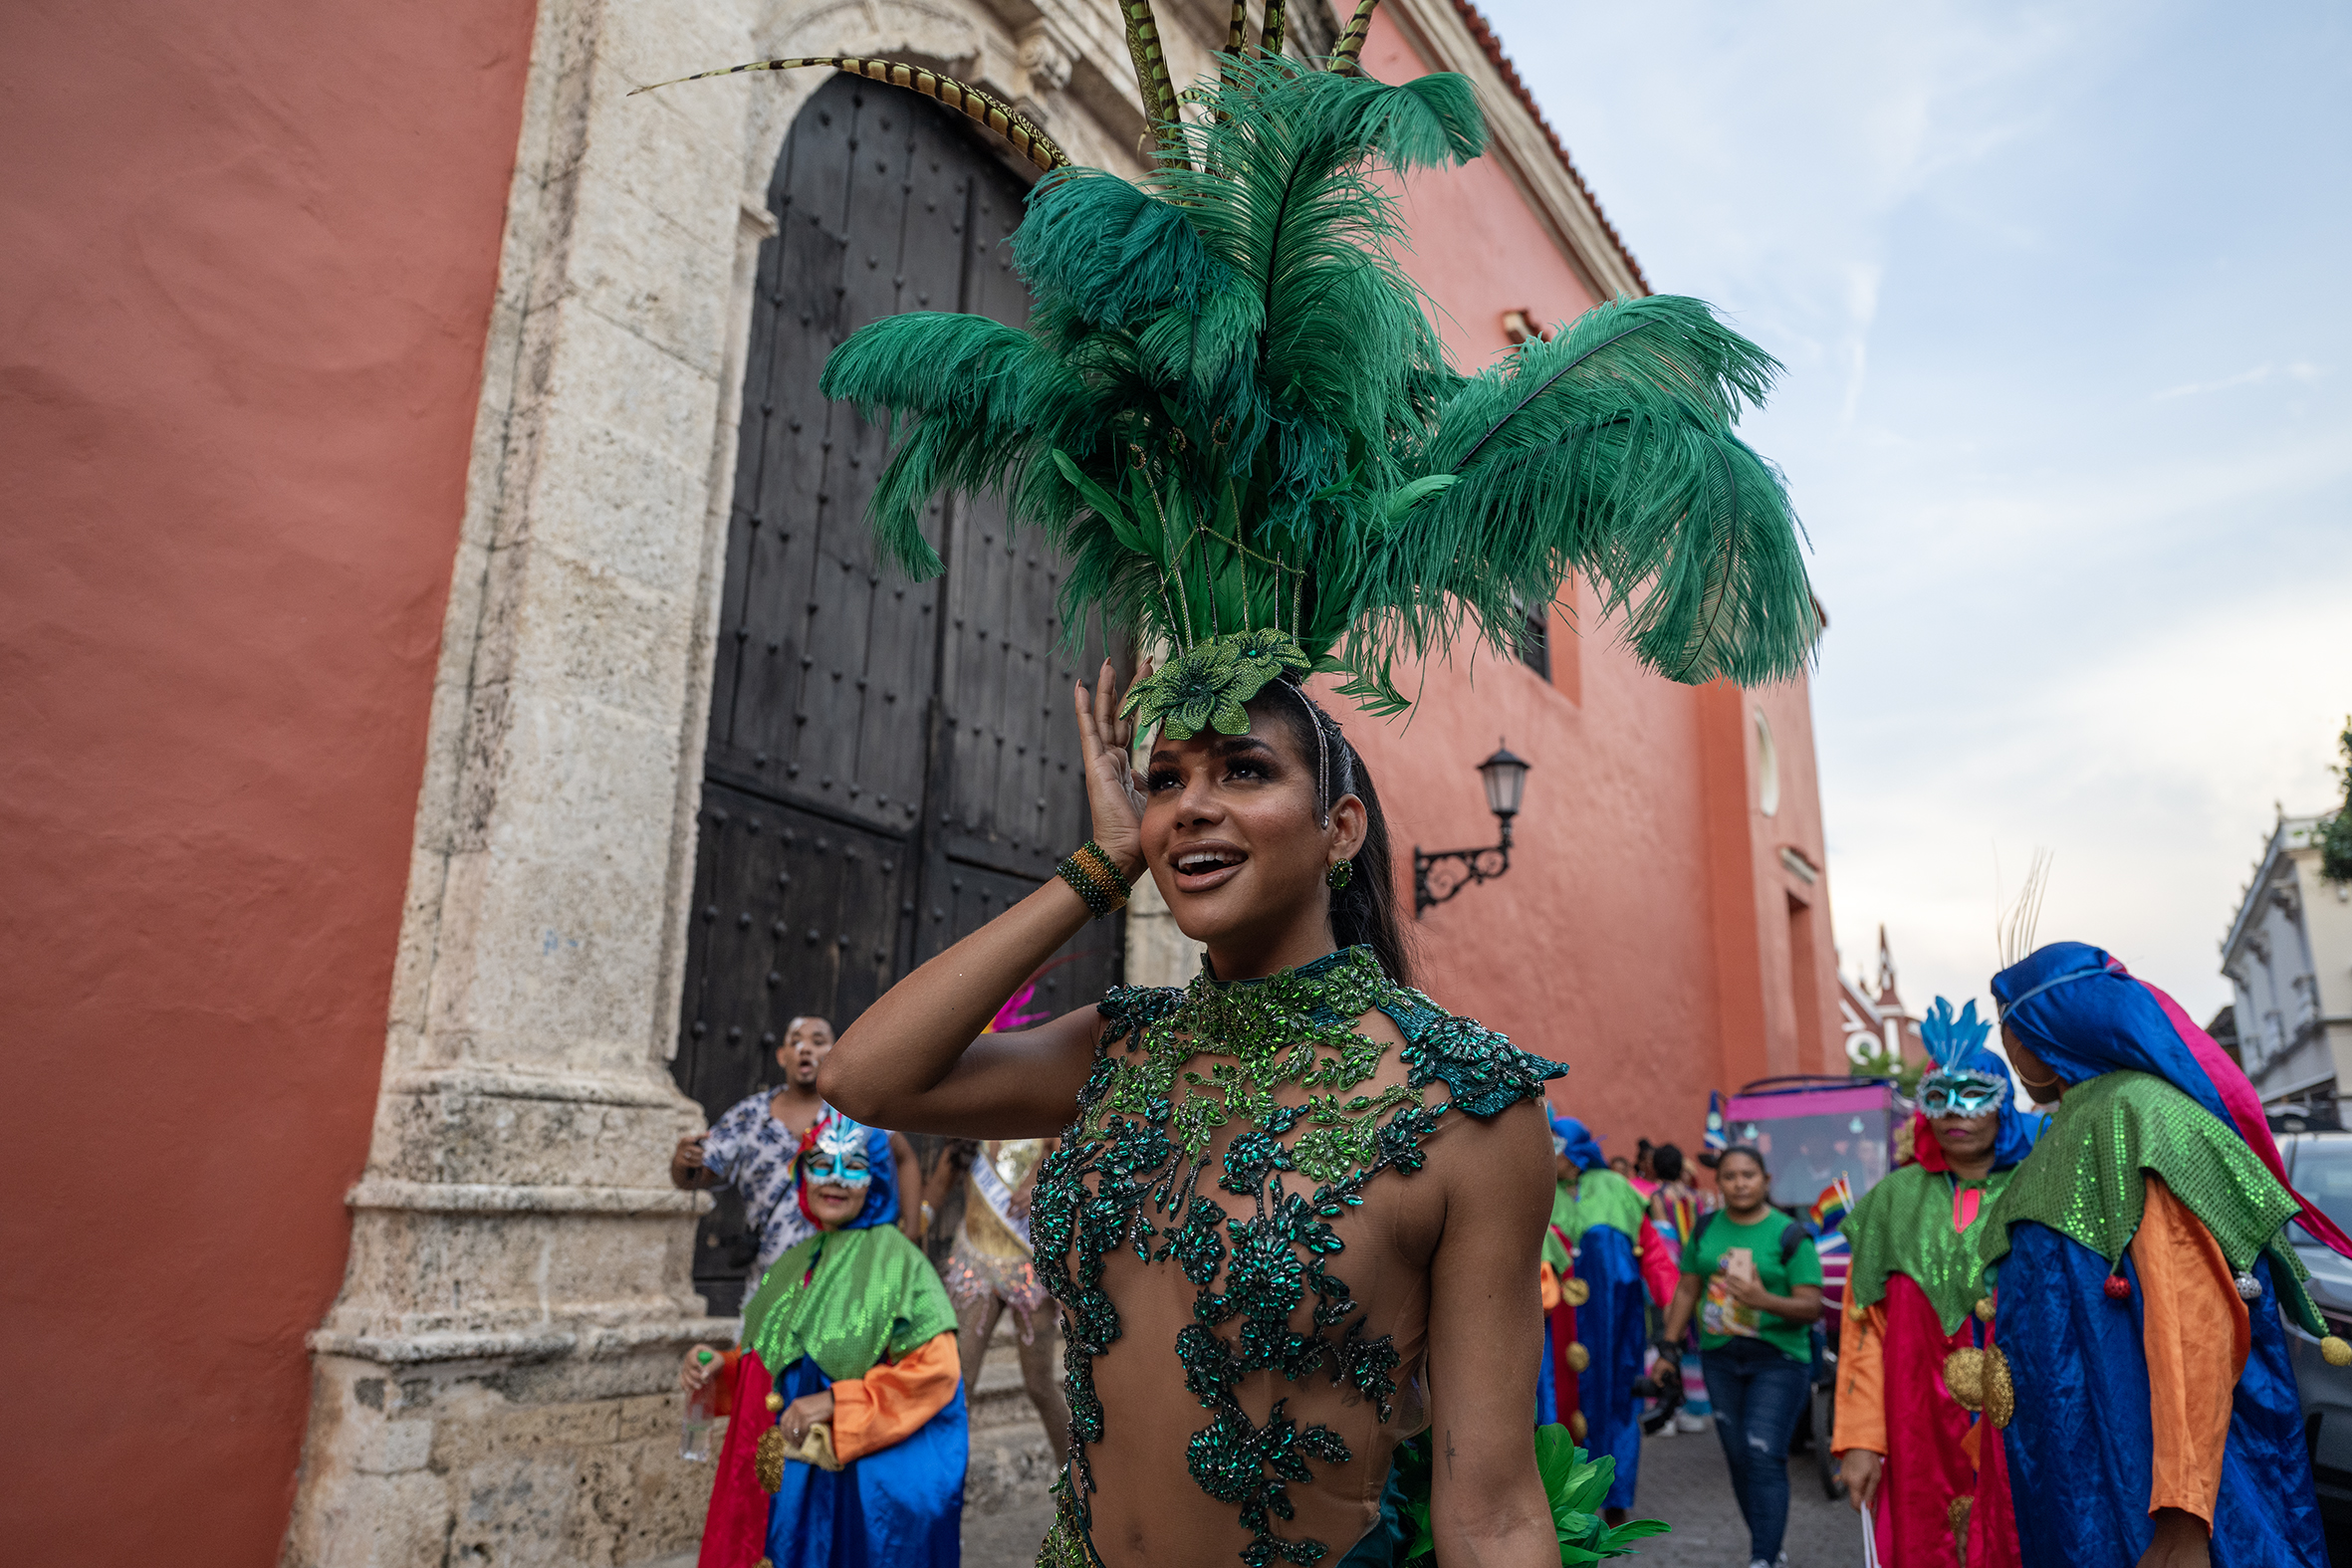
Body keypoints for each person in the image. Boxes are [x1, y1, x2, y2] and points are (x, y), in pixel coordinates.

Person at [640, 10, 1814, 1563]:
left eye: (1240, 770)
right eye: (1163, 774)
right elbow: (863, 1077)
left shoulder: (1468, 1112)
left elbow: (1487, 1502)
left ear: (1337, 822)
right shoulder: (1117, 1050)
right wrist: (1091, 863)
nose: (1189, 804)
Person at [1980, 942, 2352, 1568]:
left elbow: (2191, 1317)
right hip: (2087, 1466)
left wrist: (2184, 1514)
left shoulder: (2139, 1116)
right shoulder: (2078, 1120)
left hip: (2147, 1484)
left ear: (2043, 1027)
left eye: (2005, 1026)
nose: (2008, 1047)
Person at [681, 1113, 966, 1568]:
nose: (835, 1178)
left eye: (852, 1165)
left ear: (874, 1177)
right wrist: (725, 1366)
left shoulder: (901, 1264)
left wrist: (839, 1402)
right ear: (802, 1171)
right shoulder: (795, 1260)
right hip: (765, 1487)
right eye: (821, 1161)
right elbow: (780, 1361)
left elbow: (937, 1373)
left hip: (833, 1499)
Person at [1833, 997, 2040, 1568]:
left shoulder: (2038, 1189)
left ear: (2004, 1104)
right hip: (1916, 1422)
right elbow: (1862, 1332)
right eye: (1939, 1096)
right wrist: (1860, 1440)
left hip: (2027, 1419)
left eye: (1974, 1094)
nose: (1957, 1111)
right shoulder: (1893, 1201)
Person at [671, 1015, 923, 1301]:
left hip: (844, 1278)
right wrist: (683, 1164)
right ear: (781, 1056)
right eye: (796, 1042)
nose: (806, 1049)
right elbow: (695, 1177)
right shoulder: (750, 1115)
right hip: (771, 1277)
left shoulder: (853, 1113)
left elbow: (904, 1159)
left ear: (834, 1053)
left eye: (818, 1042)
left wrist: (911, 1229)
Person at [1658, 1144, 1824, 1568]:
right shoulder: (1705, 1228)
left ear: (1766, 1181)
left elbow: (1811, 1307)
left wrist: (1761, 1299)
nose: (1739, 1183)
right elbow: (1687, 1288)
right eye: (1729, 1176)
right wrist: (1669, 1349)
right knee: (1737, 1455)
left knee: (1762, 1451)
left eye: (1748, 1174)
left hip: (1779, 1359)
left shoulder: (1790, 1234)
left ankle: (1762, 1558)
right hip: (1720, 1360)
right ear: (1719, 1183)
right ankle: (1768, 1544)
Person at [1546, 1114, 1679, 1521]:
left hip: (1614, 1321)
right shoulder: (1537, 1191)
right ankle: (1563, 1497)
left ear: (1577, 1150)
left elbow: (1655, 1256)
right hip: (1557, 1324)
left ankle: (1615, 1492)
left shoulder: (1618, 1190)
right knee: (1554, 1402)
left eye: (1554, 1146)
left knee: (1615, 1398)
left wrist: (1675, 1320)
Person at [930, 1134, 1071, 1464]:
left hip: (1029, 1272)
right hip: (973, 1267)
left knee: (1039, 1385)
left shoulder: (1045, 1126)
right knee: (958, 1384)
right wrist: (913, 1224)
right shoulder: (968, 1131)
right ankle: (943, 1481)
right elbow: (935, 1191)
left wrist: (1042, 1191)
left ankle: (1077, 1480)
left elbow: (1070, 1183)